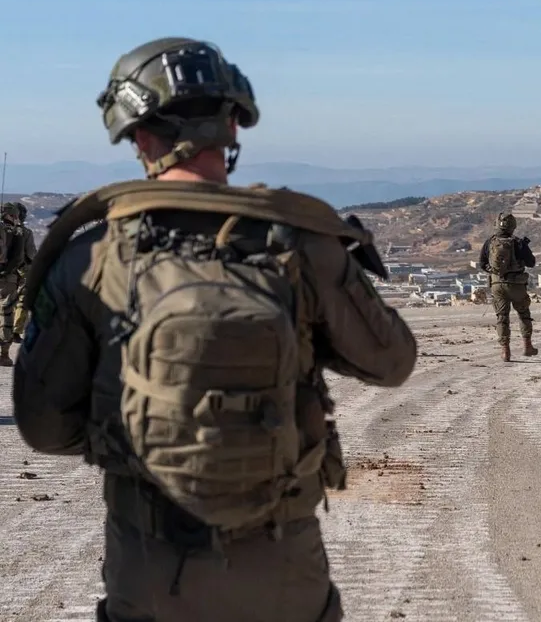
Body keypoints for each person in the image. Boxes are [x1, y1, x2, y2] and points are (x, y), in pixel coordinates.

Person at [12, 36, 418, 622]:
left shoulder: (90, 256)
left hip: (149, 569)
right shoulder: (302, 241)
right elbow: (392, 362)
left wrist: (135, 427)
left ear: (139, 136)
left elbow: (44, 428)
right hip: (284, 567)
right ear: (233, 129)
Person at [479, 212, 537, 362]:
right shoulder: (518, 242)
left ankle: (505, 351)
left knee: (502, 317)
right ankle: (527, 346)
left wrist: (496, 272)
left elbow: (482, 264)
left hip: (497, 285)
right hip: (516, 285)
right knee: (523, 314)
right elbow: (531, 262)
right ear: (513, 226)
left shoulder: (490, 243)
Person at [0, 201, 34, 364]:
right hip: (10, 277)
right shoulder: (21, 232)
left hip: (11, 276)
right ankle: (4, 353)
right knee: (8, 311)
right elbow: (27, 256)